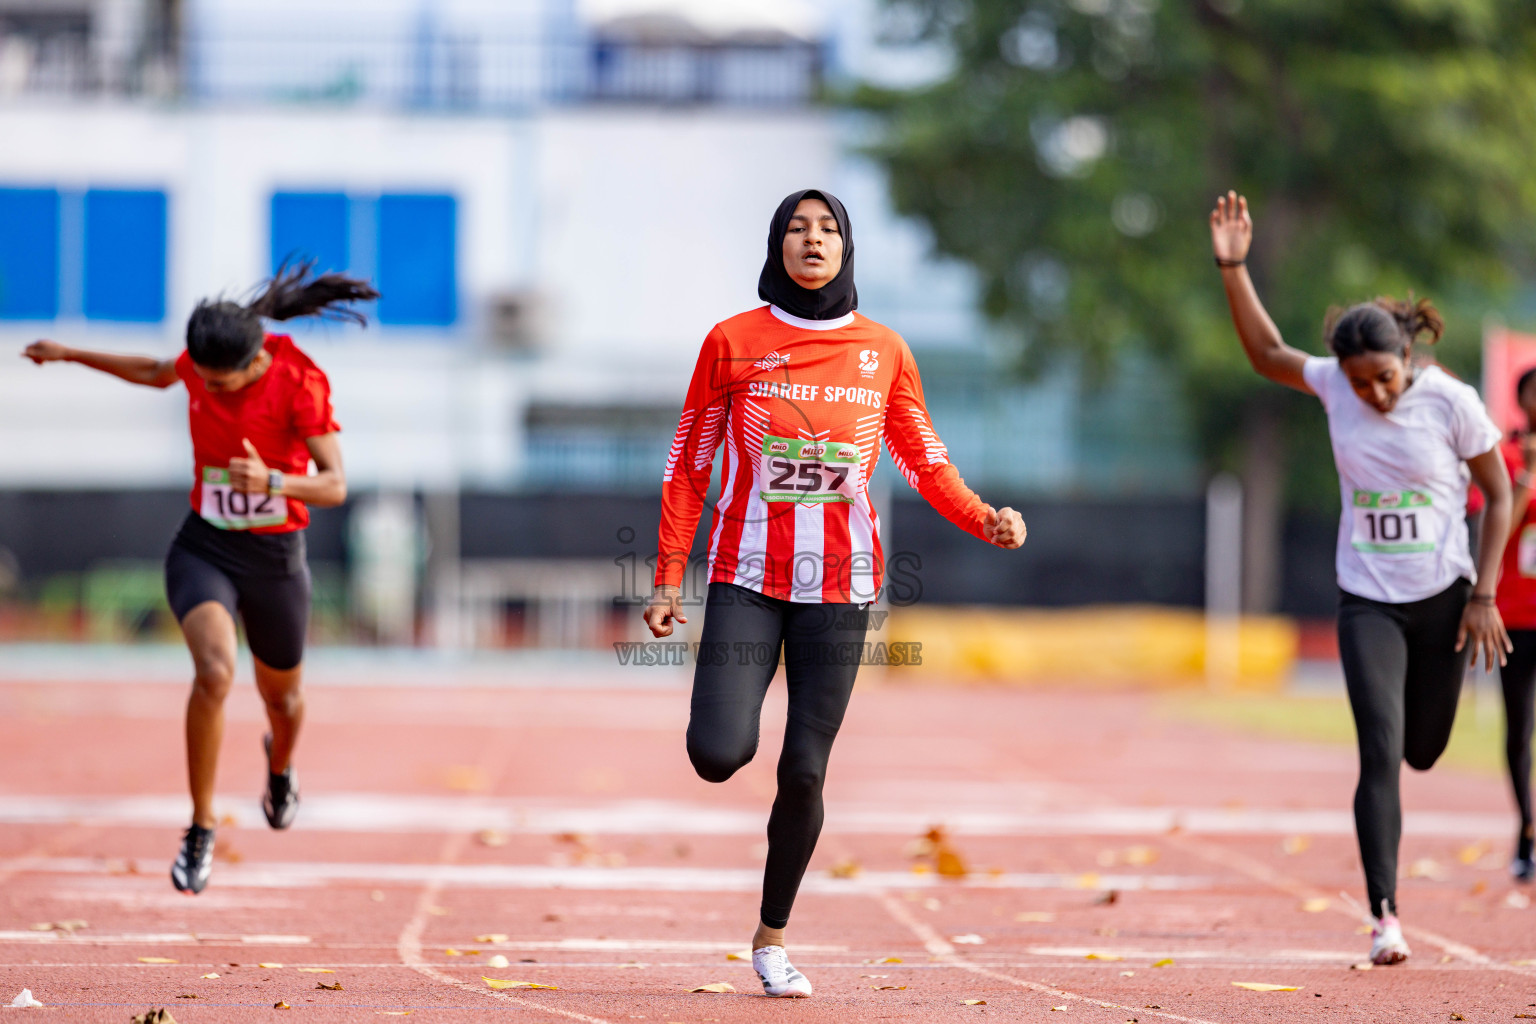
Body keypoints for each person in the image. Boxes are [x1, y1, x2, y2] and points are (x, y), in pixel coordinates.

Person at [643, 189, 1026, 998]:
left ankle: (771, 939)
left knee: (806, 773)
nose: (812, 240)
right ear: (776, 247)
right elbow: (689, 464)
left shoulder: (882, 350)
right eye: (795, 228)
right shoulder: (732, 343)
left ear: (848, 248)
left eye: (828, 229)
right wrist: (667, 575)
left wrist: (982, 517)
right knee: (718, 754)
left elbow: (924, 460)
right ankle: (739, 799)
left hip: (842, 587)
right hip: (746, 577)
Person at [1210, 191, 1512, 964]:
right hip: (1368, 598)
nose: (1374, 394)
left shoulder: (1451, 401)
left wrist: (1482, 595)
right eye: (1361, 382)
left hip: (1444, 597)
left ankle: (1390, 892)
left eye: (1383, 378)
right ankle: (1386, 918)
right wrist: (1234, 266)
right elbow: (1266, 354)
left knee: (1423, 751)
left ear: (1405, 359)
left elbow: (1500, 491)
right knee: (1379, 750)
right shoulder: (1335, 386)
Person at [22, 263, 375, 894]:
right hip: (205, 547)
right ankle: (201, 826)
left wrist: (271, 481)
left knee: (284, 702)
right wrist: (71, 354)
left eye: (220, 383)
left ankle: (281, 764)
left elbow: (335, 485)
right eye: (202, 380)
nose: (206, 390)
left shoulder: (300, 383)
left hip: (275, 557)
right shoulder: (198, 365)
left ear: (254, 362)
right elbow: (157, 372)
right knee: (214, 672)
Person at [1493, 368, 1536, 882]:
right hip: (1515, 616)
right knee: (1518, 728)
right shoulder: (1504, 455)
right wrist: (1526, 474)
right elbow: (1498, 532)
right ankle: (1526, 830)